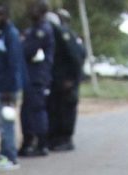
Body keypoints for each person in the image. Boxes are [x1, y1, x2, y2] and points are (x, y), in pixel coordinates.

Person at [0, 3, 25, 172]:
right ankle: (4, 153)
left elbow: (14, 64)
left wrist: (10, 90)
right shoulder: (0, 34)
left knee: (8, 122)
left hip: (8, 88)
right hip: (0, 86)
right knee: (1, 124)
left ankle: (11, 157)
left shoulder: (11, 34)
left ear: (6, 16)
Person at [18, 0, 55, 158]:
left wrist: (22, 44)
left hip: (37, 76)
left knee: (36, 110)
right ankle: (28, 141)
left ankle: (41, 143)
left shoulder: (42, 30)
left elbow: (27, 50)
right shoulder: (33, 29)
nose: (31, 11)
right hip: (30, 75)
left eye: (34, 8)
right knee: (27, 110)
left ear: (41, 11)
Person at [45, 10, 84, 152]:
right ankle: (55, 139)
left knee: (67, 110)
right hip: (57, 80)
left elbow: (76, 58)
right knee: (55, 109)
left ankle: (66, 140)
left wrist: (71, 79)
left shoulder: (66, 35)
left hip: (68, 81)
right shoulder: (56, 35)